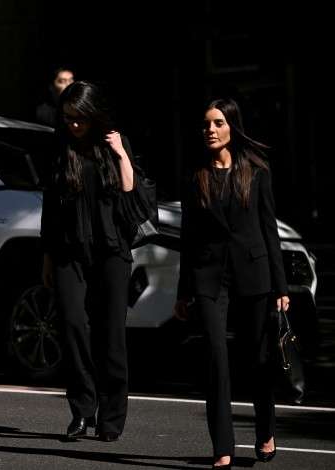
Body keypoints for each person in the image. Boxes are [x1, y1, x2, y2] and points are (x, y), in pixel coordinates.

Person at [174, 98, 288, 469]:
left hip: (253, 275)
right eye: (206, 124)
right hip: (209, 278)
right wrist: (183, 291)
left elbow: (269, 230)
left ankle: (265, 429)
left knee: (258, 359)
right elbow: (189, 237)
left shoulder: (257, 171)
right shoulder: (195, 176)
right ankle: (223, 446)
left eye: (218, 123)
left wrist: (281, 287)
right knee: (216, 360)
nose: (210, 130)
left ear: (232, 127)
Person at [40, 81, 152, 443]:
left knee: (111, 334)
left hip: (111, 251)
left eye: (80, 118)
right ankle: (82, 409)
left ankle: (112, 415)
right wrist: (47, 256)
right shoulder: (60, 147)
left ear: (93, 115)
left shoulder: (114, 143)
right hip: (68, 250)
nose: (74, 125)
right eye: (67, 118)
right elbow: (50, 205)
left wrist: (120, 154)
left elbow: (134, 200)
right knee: (73, 325)